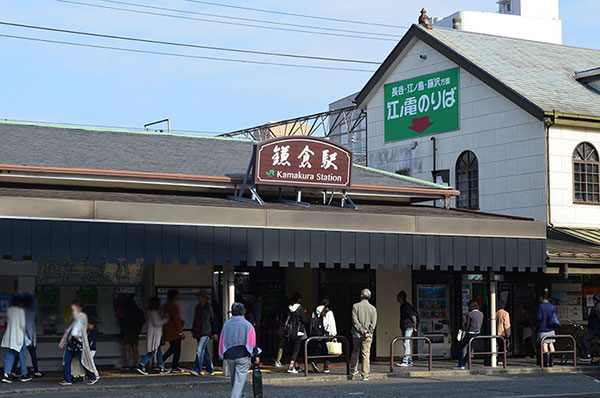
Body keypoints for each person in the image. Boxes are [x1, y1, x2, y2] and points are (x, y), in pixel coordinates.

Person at [219, 302, 260, 398]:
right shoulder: (248, 325)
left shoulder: (226, 325)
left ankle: (240, 395)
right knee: (239, 381)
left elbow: (222, 341)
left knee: (234, 380)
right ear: (243, 312)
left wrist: (222, 354)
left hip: (229, 355)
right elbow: (252, 343)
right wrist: (255, 355)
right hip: (243, 355)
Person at [59, 299, 98, 386]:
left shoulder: (81, 316)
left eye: (75, 306)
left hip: (78, 343)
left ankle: (92, 377)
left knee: (83, 360)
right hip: (72, 343)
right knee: (67, 361)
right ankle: (67, 379)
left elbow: (76, 330)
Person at [137, 296, 170, 375]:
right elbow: (157, 323)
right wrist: (166, 318)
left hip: (155, 335)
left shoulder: (152, 312)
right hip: (155, 335)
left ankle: (161, 367)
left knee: (158, 351)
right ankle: (142, 364)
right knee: (153, 350)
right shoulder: (154, 312)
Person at [2, 296, 31, 383]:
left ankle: (6, 375)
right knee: (22, 356)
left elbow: (8, 321)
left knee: (8, 356)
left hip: (9, 336)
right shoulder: (20, 311)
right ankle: (24, 375)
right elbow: (22, 325)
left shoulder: (9, 310)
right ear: (20, 303)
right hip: (18, 336)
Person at [350, 288, 377, 381]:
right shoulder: (373, 309)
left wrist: (362, 330)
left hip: (357, 334)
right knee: (366, 354)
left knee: (355, 351)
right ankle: (365, 374)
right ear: (369, 297)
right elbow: (373, 323)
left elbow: (355, 321)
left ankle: (353, 370)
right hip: (368, 335)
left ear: (361, 296)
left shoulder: (355, 306)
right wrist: (368, 332)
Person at [12, 295, 42, 378]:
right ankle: (35, 371)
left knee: (18, 355)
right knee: (32, 355)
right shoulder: (28, 312)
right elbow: (30, 327)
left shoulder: (20, 312)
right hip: (27, 338)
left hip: (21, 337)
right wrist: (31, 340)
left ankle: (13, 371)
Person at [190, 292, 219, 377]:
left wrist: (215, 332)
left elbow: (213, 320)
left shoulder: (209, 308)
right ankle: (210, 369)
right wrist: (193, 329)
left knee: (199, 350)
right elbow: (195, 319)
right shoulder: (198, 307)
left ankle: (197, 369)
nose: (199, 299)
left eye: (200, 297)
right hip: (198, 331)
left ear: (204, 298)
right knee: (205, 351)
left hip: (206, 331)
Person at [454, 300, 484, 370]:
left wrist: (463, 328)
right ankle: (464, 362)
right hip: (477, 333)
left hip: (470, 333)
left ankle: (461, 364)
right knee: (470, 349)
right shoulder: (481, 314)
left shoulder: (470, 314)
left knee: (461, 347)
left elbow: (467, 326)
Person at [310, 299, 337, 373]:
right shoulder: (329, 312)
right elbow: (332, 324)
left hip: (317, 333)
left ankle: (314, 361)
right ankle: (326, 367)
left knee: (319, 348)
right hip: (326, 333)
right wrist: (334, 335)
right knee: (327, 350)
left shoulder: (314, 312)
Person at [162, 289, 185, 372]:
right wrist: (180, 332)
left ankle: (161, 361)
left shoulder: (165, 306)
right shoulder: (174, 307)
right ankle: (174, 366)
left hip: (167, 330)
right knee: (177, 349)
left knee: (173, 348)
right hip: (175, 332)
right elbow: (177, 320)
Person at [285, 293, 307, 374]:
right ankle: (291, 366)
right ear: (298, 300)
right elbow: (304, 320)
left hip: (290, 331)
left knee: (292, 348)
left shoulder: (289, 308)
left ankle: (296, 366)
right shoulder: (300, 309)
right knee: (296, 349)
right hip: (298, 331)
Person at [120, 298, 145, 370]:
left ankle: (127, 364)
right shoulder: (139, 311)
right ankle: (136, 364)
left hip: (128, 331)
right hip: (136, 331)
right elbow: (143, 321)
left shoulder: (127, 312)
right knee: (135, 348)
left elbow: (124, 321)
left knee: (127, 348)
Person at [396, 291, 418, 367]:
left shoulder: (406, 306)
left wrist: (415, 326)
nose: (397, 299)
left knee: (406, 343)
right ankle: (409, 360)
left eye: (398, 297)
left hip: (408, 326)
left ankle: (406, 361)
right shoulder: (404, 305)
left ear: (401, 298)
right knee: (406, 343)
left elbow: (413, 316)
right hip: (405, 326)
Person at [537, 289, 558, 367]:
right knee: (551, 344)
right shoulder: (552, 306)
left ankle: (545, 362)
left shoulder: (541, 306)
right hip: (551, 328)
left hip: (543, 328)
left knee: (544, 345)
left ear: (542, 298)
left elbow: (539, 317)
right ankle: (551, 362)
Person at [580, 293, 600, 362]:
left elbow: (591, 320)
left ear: (595, 301)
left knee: (584, 339)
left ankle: (586, 355)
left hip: (596, 330)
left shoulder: (594, 309)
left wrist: (588, 328)